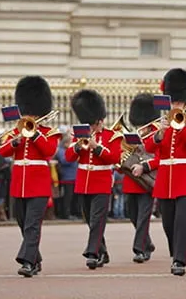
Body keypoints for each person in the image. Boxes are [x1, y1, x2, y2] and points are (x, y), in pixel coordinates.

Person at [134, 68, 186, 276]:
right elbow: (150, 148)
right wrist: (160, 133)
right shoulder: (161, 126)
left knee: (182, 222)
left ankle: (179, 260)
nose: (175, 106)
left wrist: (182, 128)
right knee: (168, 223)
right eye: (173, 103)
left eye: (179, 103)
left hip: (185, 178)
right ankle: (179, 250)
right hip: (165, 180)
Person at [0, 76, 61, 277]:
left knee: (33, 225)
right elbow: (3, 152)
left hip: (39, 184)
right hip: (19, 184)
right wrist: (16, 140)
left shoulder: (49, 132)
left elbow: (49, 151)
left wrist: (34, 135)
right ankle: (36, 258)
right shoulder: (16, 131)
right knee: (23, 223)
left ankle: (27, 262)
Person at [66, 89, 122, 270]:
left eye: (93, 124)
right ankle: (103, 251)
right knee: (91, 221)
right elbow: (68, 157)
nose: (90, 127)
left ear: (100, 120)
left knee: (98, 220)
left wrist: (96, 146)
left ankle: (92, 253)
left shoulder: (112, 136)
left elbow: (114, 158)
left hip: (102, 182)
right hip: (84, 182)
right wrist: (77, 146)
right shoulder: (79, 135)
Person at [124, 93, 159, 263]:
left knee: (143, 216)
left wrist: (144, 166)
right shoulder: (130, 136)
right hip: (131, 181)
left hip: (147, 182)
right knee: (131, 214)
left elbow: (160, 158)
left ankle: (139, 250)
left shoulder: (156, 136)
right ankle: (148, 244)